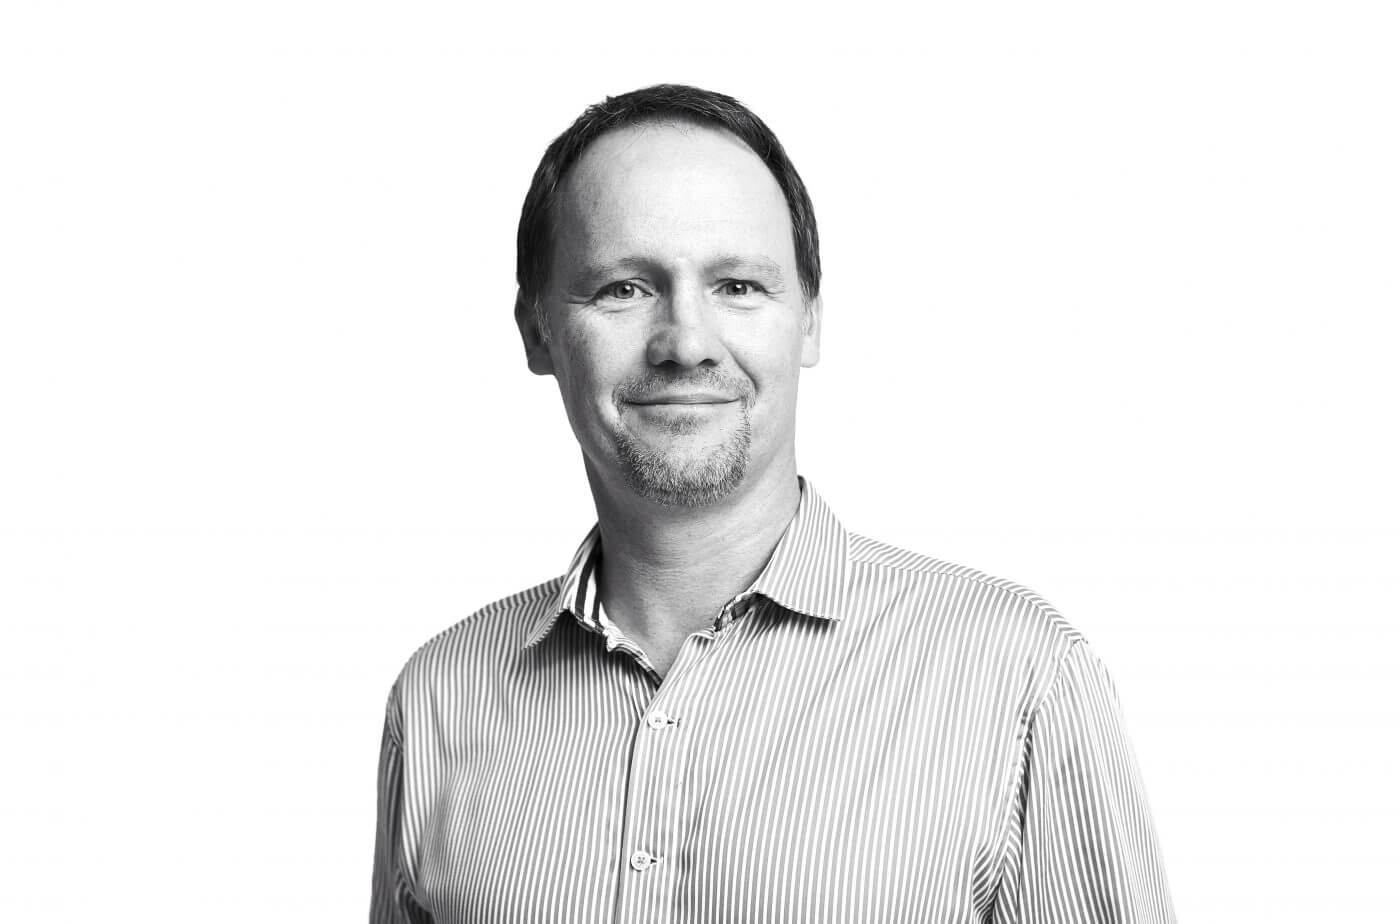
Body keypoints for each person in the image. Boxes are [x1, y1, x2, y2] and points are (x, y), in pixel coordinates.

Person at [370, 84, 1175, 923]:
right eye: (623, 288)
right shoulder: (438, 700)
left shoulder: (1021, 678)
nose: (686, 342)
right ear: (537, 330)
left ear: (810, 321)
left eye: (738, 286)